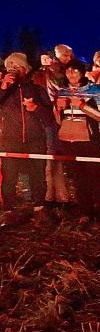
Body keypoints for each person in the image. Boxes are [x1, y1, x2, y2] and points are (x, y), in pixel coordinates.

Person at [54, 60, 100, 224]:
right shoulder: (62, 91)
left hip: (88, 139)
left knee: (95, 176)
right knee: (78, 177)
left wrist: (82, 106)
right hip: (67, 140)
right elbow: (58, 120)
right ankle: (85, 211)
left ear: (82, 73)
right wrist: (57, 109)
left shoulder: (94, 90)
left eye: (75, 71)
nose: (71, 74)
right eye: (68, 71)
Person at [0, 52, 51, 213]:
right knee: (9, 176)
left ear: (25, 69)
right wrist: (3, 87)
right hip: (10, 139)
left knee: (37, 174)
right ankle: (9, 209)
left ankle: (39, 207)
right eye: (10, 66)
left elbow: (50, 117)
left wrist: (36, 108)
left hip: (35, 139)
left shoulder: (37, 89)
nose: (13, 69)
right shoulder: (4, 90)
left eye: (17, 66)